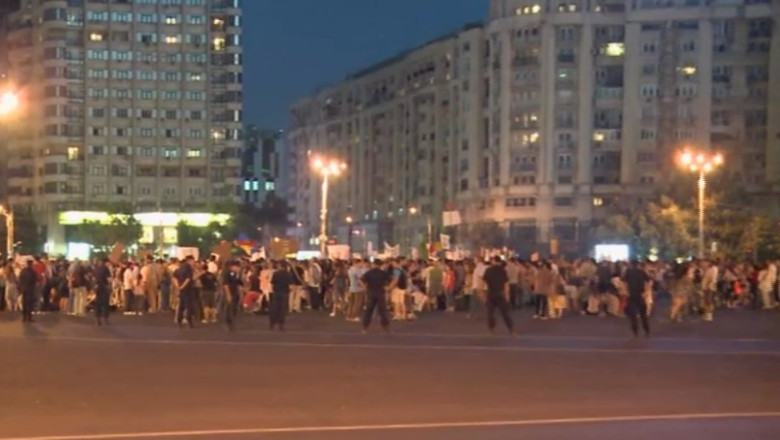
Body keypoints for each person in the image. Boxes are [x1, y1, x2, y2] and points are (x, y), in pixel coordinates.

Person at [482, 256, 514, 335]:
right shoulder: (502, 270)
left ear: (493, 261)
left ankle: (491, 329)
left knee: (490, 313)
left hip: (491, 293)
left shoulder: (488, 270)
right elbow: (506, 284)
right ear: (499, 262)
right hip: (500, 293)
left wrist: (484, 294)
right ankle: (511, 329)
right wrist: (507, 295)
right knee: (505, 313)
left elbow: (484, 283)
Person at [359, 259, 390, 333]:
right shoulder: (383, 273)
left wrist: (364, 287)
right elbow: (393, 279)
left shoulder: (369, 272)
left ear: (374, 264)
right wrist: (389, 288)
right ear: (380, 265)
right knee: (382, 311)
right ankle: (385, 327)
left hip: (371, 293)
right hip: (380, 293)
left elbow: (360, 280)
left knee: (368, 311)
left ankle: (364, 327)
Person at [622, 259, 651, 337]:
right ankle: (646, 330)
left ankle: (635, 332)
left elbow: (624, 282)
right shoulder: (642, 272)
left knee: (633, 315)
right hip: (640, 294)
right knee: (643, 314)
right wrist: (646, 292)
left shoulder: (628, 272)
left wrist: (626, 291)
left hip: (631, 295)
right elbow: (649, 281)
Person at [269, 261, 294, 330]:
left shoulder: (276, 273)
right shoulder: (288, 274)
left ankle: (272, 323)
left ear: (280, 265)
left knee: (275, 308)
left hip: (276, 292)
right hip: (284, 292)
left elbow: (272, 283)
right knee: (283, 309)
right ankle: (281, 324)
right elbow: (291, 285)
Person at [173, 256, 196, 328]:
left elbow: (174, 278)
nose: (194, 263)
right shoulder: (189, 269)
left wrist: (178, 286)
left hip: (181, 290)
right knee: (189, 306)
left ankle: (179, 320)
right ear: (189, 260)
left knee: (181, 306)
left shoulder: (179, 268)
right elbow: (188, 279)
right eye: (193, 261)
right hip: (188, 290)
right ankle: (189, 321)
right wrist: (183, 286)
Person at [222, 260, 243, 331]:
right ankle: (228, 322)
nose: (239, 269)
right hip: (230, 292)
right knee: (229, 308)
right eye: (237, 267)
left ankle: (232, 322)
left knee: (234, 308)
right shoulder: (227, 273)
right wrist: (228, 294)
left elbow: (239, 284)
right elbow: (225, 284)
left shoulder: (236, 274)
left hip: (235, 292)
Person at [93, 258, 113, 326]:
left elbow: (94, 278)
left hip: (98, 288)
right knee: (105, 304)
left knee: (98, 304)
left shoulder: (96, 269)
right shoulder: (106, 269)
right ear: (106, 262)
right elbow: (109, 279)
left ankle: (97, 320)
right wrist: (110, 286)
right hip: (104, 288)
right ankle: (105, 319)